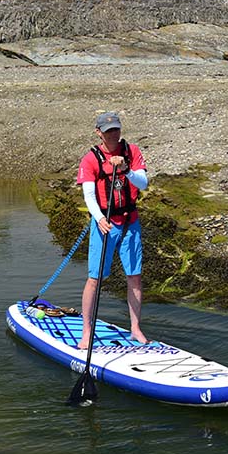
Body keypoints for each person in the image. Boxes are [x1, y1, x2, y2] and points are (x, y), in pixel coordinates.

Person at [76, 111, 149, 349]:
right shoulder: (91, 159)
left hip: (130, 222)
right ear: (99, 133)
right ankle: (87, 332)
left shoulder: (132, 151)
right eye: (108, 132)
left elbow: (144, 183)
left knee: (134, 277)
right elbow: (88, 194)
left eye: (116, 130)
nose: (114, 135)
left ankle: (135, 328)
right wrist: (98, 218)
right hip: (105, 225)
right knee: (95, 279)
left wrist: (127, 170)